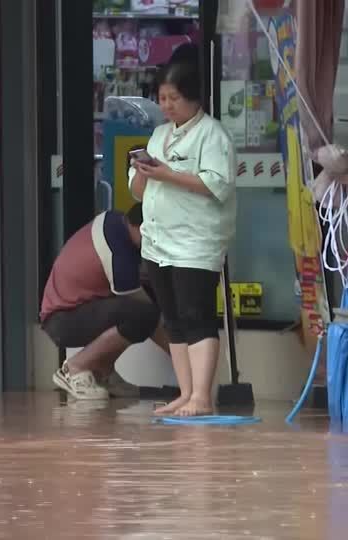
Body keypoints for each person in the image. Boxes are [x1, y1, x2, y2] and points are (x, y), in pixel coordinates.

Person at [129, 60, 237, 417]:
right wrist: (145, 173)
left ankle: (202, 396)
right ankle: (186, 392)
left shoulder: (213, 134)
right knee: (172, 317)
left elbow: (215, 184)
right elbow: (138, 192)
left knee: (197, 314)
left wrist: (168, 173)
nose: (166, 105)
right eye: (161, 98)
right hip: (159, 241)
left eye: (174, 97)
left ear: (193, 97)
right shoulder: (159, 135)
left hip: (195, 241)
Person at [43, 204, 169, 400]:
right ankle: (75, 368)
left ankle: (103, 371)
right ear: (137, 226)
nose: (154, 243)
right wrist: (185, 360)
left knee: (144, 312)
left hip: (75, 310)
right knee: (144, 314)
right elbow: (147, 311)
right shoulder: (117, 246)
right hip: (62, 320)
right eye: (151, 236)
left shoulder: (116, 225)